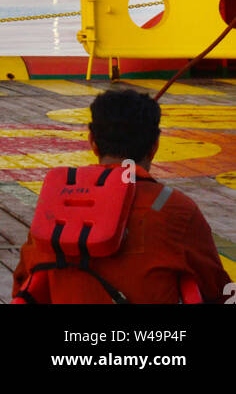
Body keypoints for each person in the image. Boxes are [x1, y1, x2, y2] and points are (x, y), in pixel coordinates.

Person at [13, 88, 231, 304]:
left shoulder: (55, 206)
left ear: (93, 142)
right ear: (154, 146)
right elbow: (217, 289)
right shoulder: (177, 209)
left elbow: (23, 285)